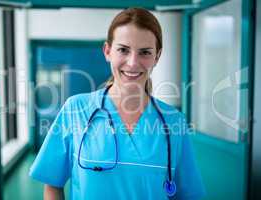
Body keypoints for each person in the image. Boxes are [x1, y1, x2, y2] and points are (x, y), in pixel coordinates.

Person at [29, 7, 205, 200]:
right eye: (123, 50)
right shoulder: (76, 109)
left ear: (157, 56)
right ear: (107, 51)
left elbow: (188, 195)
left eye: (145, 52)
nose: (132, 63)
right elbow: (53, 185)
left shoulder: (173, 122)